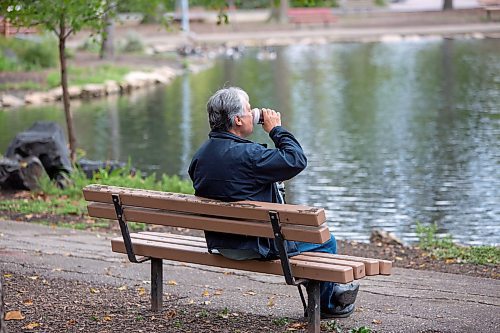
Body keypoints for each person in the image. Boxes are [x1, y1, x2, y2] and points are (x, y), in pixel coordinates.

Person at [188, 87, 359, 318]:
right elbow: (296, 159)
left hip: (222, 244)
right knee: (327, 242)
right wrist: (276, 129)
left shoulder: (201, 156)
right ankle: (327, 306)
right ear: (238, 119)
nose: (253, 114)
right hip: (255, 247)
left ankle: (324, 292)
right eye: (249, 109)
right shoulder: (251, 156)